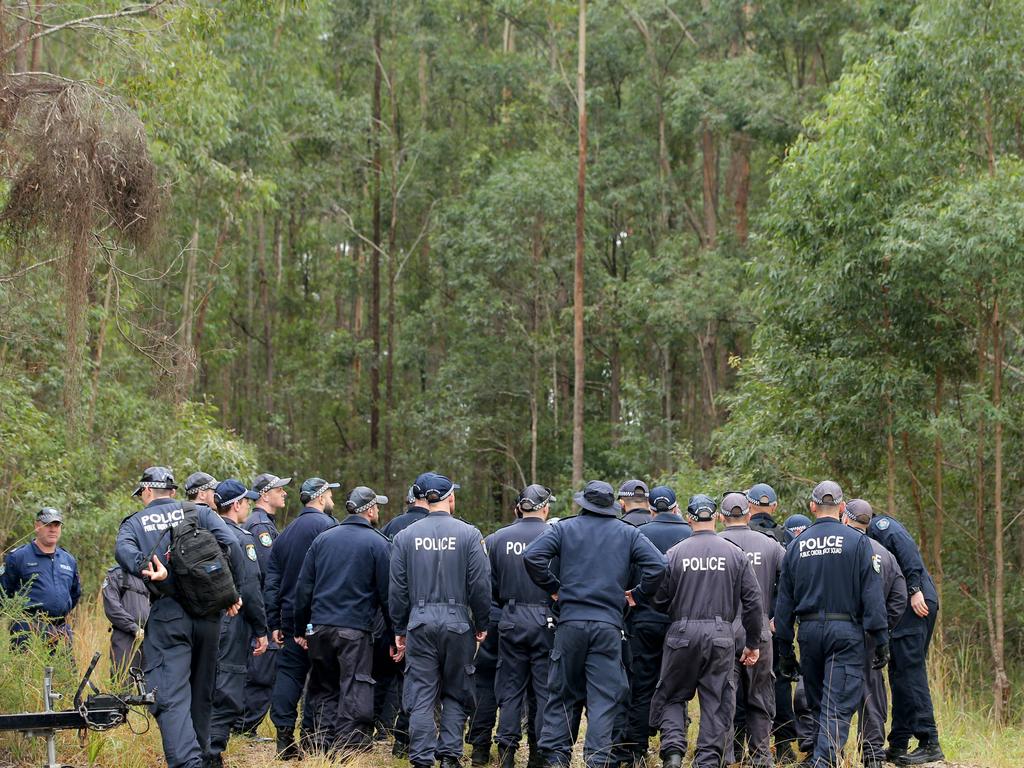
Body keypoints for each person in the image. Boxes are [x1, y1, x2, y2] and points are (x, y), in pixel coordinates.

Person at [523, 479, 666, 768]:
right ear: (612, 505)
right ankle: (597, 760)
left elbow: (532, 556)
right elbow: (659, 566)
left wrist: (554, 587)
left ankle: (557, 759)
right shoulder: (627, 533)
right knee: (604, 696)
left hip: (570, 624)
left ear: (583, 503)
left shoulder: (563, 528)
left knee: (562, 692)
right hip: (608, 627)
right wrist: (636, 596)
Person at [114, 466, 246, 768]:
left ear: (146, 492)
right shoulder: (198, 512)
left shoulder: (134, 523)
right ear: (172, 491)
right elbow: (234, 545)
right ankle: (204, 758)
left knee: (170, 697)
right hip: (210, 615)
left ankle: (189, 764)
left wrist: (150, 568)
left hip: (169, 614)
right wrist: (231, 593)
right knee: (202, 693)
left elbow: (123, 553)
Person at [774, 481, 888, 768]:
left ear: (812, 507)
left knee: (817, 701)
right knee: (836, 703)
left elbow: (784, 603)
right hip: (845, 632)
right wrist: (880, 639)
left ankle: (817, 756)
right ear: (841, 507)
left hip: (810, 633)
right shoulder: (858, 542)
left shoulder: (797, 545)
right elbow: (872, 595)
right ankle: (823, 761)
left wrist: (785, 649)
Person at [649, 493, 762, 768]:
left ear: (688, 518)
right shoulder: (734, 553)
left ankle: (673, 753)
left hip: (682, 631)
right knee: (717, 700)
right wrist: (752, 642)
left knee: (673, 694)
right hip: (721, 634)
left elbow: (659, 599)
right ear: (715, 517)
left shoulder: (674, 553)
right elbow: (753, 601)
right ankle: (708, 761)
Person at [389, 474, 491, 768]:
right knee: (456, 689)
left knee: (420, 691)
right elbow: (480, 585)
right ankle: (449, 755)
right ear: (449, 498)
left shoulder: (405, 536)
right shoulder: (470, 534)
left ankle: (421, 758)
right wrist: (482, 623)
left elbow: (396, 589)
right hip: (458, 621)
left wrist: (399, 628)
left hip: (419, 622)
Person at [293, 486, 393, 754]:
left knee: (322, 685)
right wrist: (396, 634)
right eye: (377, 507)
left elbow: (304, 587)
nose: (378, 511)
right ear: (370, 510)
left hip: (320, 628)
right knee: (354, 685)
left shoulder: (323, 540)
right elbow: (387, 596)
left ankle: (319, 743)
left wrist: (300, 627)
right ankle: (348, 747)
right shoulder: (379, 543)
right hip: (354, 630)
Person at [263, 476, 339, 760]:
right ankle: (313, 737)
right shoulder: (330, 529)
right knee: (322, 677)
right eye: (330, 494)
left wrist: (275, 623)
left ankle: (283, 737)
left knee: (289, 674)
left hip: (289, 618)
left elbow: (272, 581)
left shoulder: (285, 533)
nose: (331, 499)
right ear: (320, 497)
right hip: (321, 617)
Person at [486, 484, 558, 768]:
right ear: (544, 508)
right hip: (545, 619)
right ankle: (539, 755)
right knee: (543, 690)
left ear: (519, 507)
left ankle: (506, 754)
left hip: (510, 618)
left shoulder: (496, 539)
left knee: (511, 688)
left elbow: (488, 586)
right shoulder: (555, 537)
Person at [866, 506, 943, 765]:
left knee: (910, 671)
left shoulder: (881, 526)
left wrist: (914, 588)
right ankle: (898, 743)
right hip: (905, 606)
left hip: (915, 603)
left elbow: (908, 551)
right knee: (899, 673)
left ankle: (929, 740)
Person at [622, 486, 691, 768]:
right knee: (675, 688)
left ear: (651, 509)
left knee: (642, 686)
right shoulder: (691, 535)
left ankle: (636, 749)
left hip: (644, 620)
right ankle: (672, 748)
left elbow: (626, 579)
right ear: (676, 508)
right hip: (681, 622)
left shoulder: (638, 535)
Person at [719, 492, 785, 768]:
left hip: (721, 632)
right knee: (760, 696)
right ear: (748, 515)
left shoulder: (715, 544)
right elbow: (793, 582)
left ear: (721, 517)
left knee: (723, 697)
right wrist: (777, 617)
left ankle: (723, 756)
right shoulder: (771, 546)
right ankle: (761, 757)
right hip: (759, 631)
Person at [207, 480, 269, 768]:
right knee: (228, 691)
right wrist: (261, 630)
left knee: (203, 688)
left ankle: (196, 747)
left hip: (200, 625)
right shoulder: (240, 539)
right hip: (231, 624)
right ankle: (210, 754)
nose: (247, 507)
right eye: (245, 502)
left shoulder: (203, 533)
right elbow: (251, 588)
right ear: (236, 505)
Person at [844, 499, 907, 768]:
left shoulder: (840, 548)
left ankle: (826, 750)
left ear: (845, 518)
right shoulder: (885, 554)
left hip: (840, 630)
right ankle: (872, 754)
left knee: (833, 688)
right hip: (872, 634)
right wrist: (882, 625)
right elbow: (899, 597)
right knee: (871, 691)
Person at [378, 473, 433, 758]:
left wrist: (392, 625)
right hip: (433, 613)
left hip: (398, 613)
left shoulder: (393, 527)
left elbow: (389, 578)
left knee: (404, 678)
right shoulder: (447, 529)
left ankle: (398, 736)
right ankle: (414, 740)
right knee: (427, 681)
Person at [238, 472, 290, 738]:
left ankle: (244, 726)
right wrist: (273, 612)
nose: (284, 493)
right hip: (262, 608)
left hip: (262, 607)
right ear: (265, 494)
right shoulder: (260, 527)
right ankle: (244, 727)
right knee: (262, 670)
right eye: (279, 489)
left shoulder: (265, 523)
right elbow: (268, 573)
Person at [1, 507, 81, 649]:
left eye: (56, 525)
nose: (53, 529)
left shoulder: (68, 560)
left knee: (63, 671)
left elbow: (74, 594)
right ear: (37, 527)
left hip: (60, 632)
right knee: (27, 671)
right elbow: (4, 594)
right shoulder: (18, 557)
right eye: (48, 525)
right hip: (27, 632)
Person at [776, 512, 812, 763]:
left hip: (793, 626)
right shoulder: (808, 551)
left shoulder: (791, 551)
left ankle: (790, 742)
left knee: (787, 684)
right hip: (806, 625)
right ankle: (805, 741)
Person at [102, 563, 150, 674]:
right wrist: (134, 628)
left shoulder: (149, 574)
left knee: (148, 685)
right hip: (124, 636)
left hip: (148, 638)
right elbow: (112, 608)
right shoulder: (116, 574)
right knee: (123, 683)